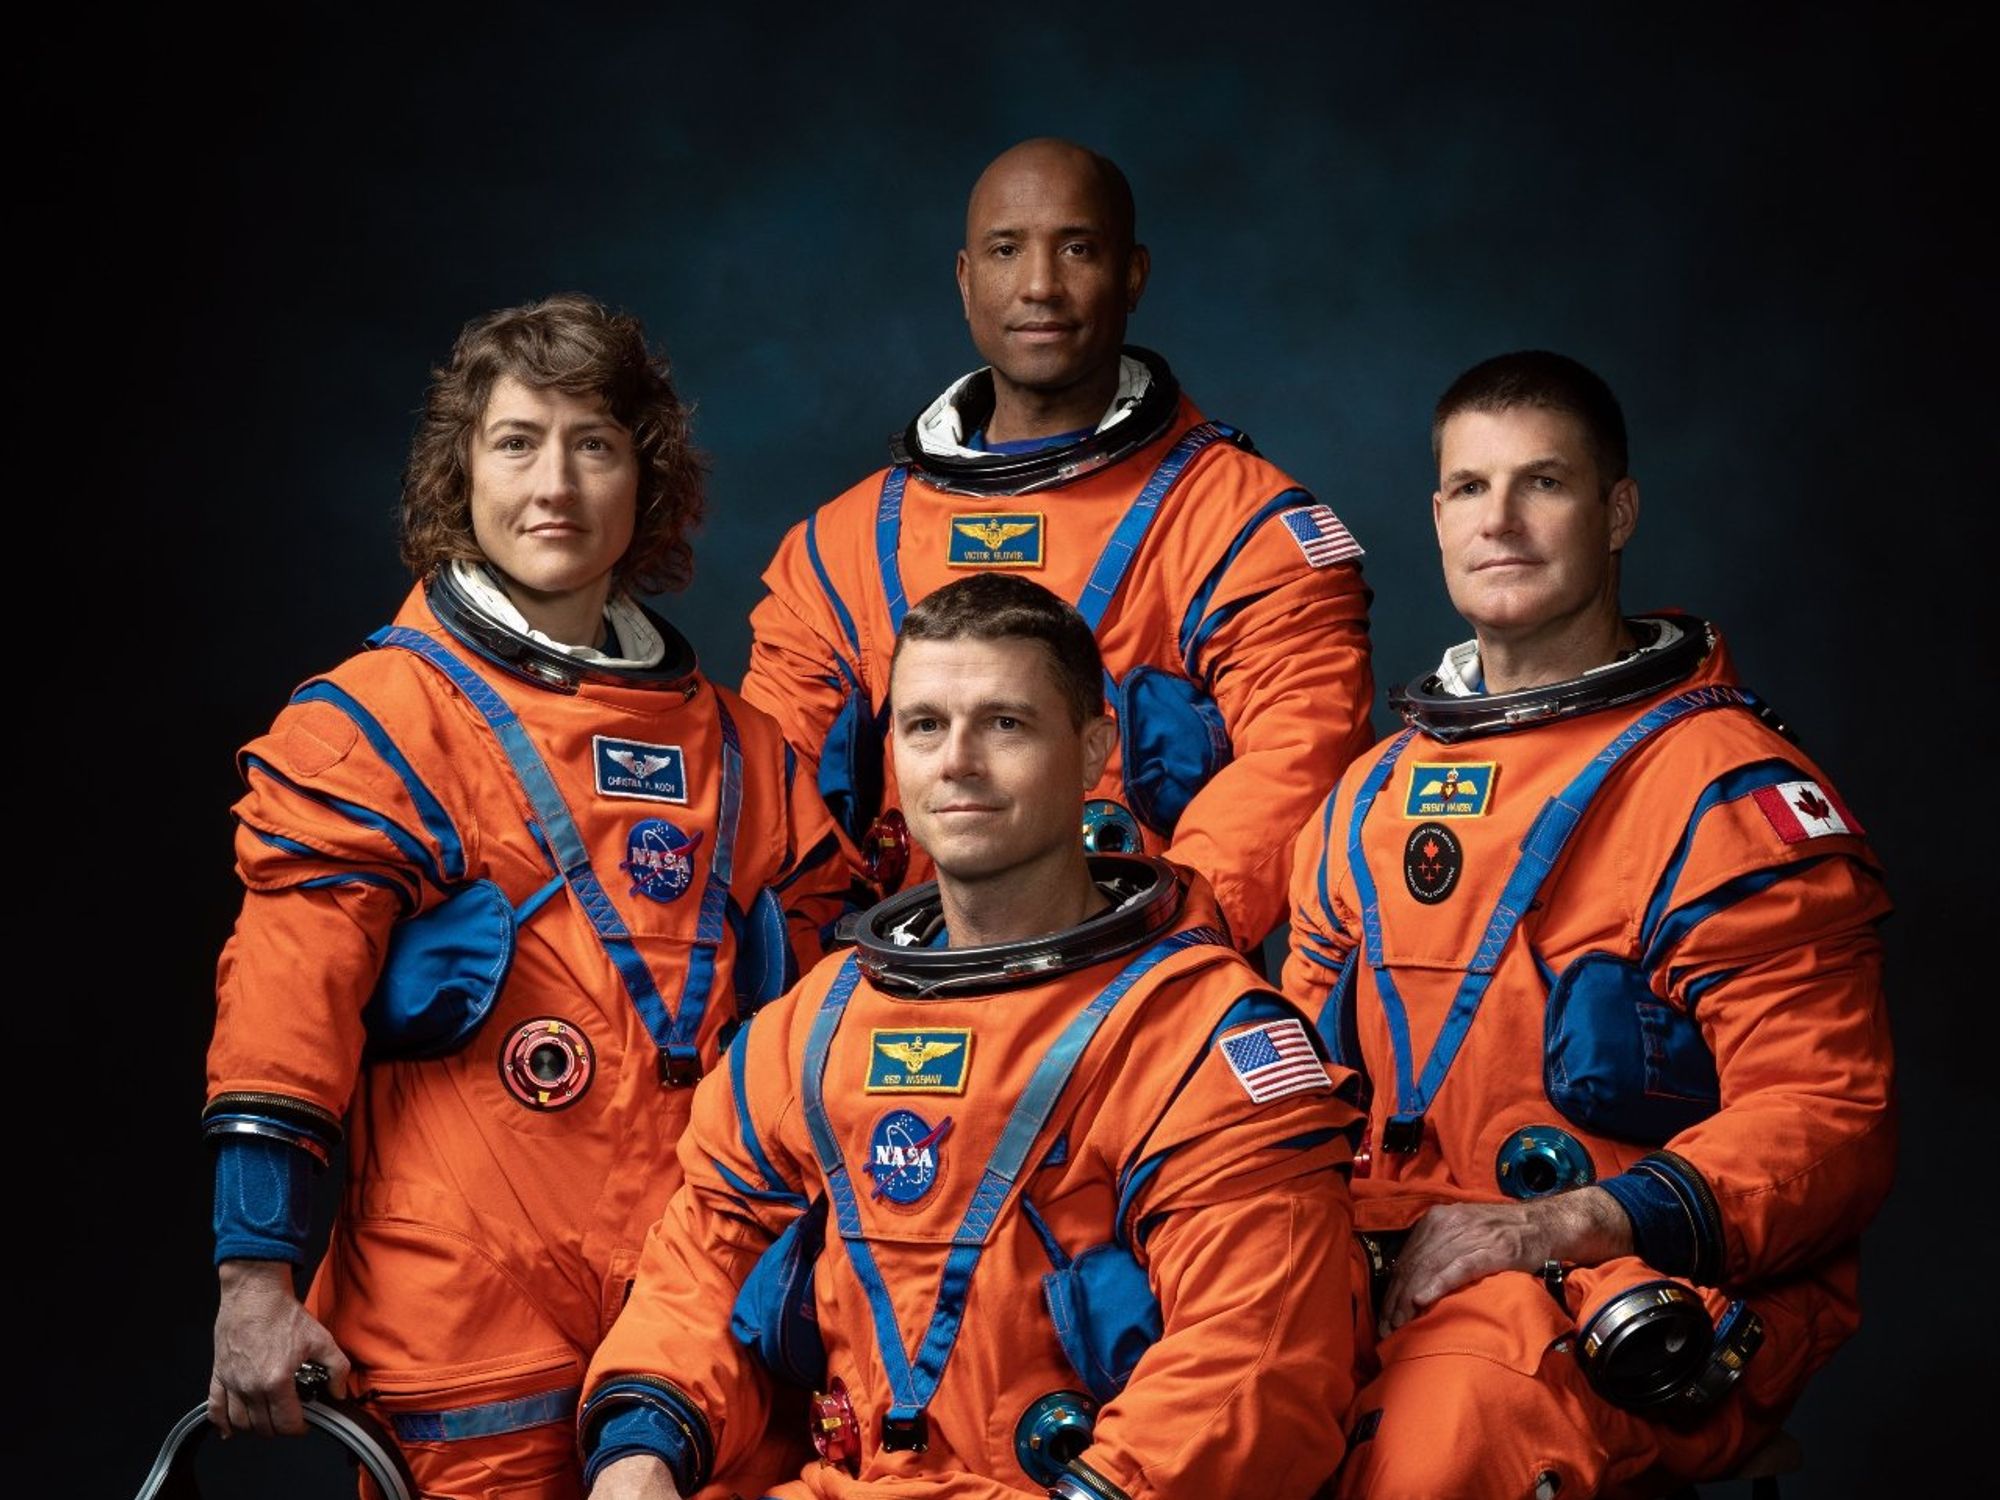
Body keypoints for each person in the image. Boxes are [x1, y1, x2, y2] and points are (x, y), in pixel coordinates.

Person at [203, 293, 847, 1499]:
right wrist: (254, 1280)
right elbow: (284, 1007)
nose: (554, 484)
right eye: (516, 443)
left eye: (592, 444)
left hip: (700, 1308)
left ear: (645, 478)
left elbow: (829, 1052)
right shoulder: (377, 726)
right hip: (464, 1315)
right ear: (462, 473)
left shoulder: (748, 759)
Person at [582, 573, 1363, 1500]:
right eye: (924, 725)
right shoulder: (814, 1025)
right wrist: (639, 1454)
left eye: (1005, 724)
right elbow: (703, 1265)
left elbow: (1257, 1358)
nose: (957, 762)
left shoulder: (1199, 1034)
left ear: (1093, 750)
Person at [1282, 350, 1895, 1498]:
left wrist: (1560, 1225)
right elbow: (1293, 1097)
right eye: (1469, 488)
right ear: (1436, 516)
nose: (1499, 520)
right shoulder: (1365, 800)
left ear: (1615, 513)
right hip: (1388, 1256)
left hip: (1625, 1278)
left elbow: (1825, 1120)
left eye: (1542, 483)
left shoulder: (1722, 793)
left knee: (1431, 1453)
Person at [742, 137, 1375, 953]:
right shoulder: (842, 548)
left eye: (1077, 249)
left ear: (1132, 276)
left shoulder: (1239, 524)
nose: (1039, 285)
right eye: (1006, 250)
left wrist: (1144, 956)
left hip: (1139, 985)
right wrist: (828, 983)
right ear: (967, 280)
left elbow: (1299, 759)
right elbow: (769, 800)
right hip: (894, 989)